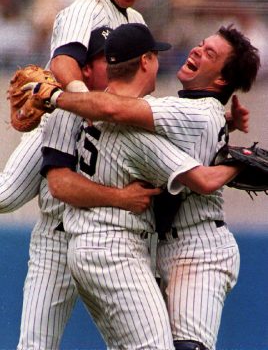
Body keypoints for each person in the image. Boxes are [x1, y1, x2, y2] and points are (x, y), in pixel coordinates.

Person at [37, 23, 260, 350]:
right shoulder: (186, 112)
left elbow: (116, 109)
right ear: (145, 62)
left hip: (199, 248)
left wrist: (54, 96)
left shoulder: (189, 113)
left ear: (222, 79)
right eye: (200, 43)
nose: (196, 50)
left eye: (209, 52)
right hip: (157, 248)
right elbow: (170, 127)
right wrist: (229, 131)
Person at [1, 27, 160, 350]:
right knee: (36, 346)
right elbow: (7, 195)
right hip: (57, 243)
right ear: (85, 70)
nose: (116, 65)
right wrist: (121, 198)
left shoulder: (136, 109)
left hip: (117, 244)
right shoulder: (59, 116)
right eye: (106, 60)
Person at [48, 0, 159, 88]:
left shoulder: (137, 19)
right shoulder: (83, 10)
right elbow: (62, 62)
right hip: (73, 109)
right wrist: (84, 101)